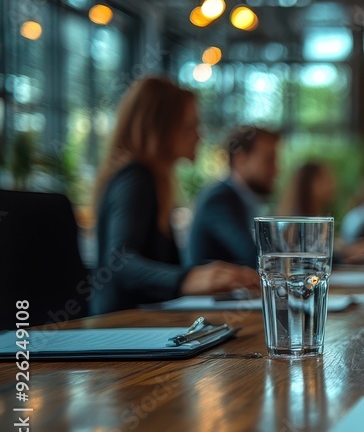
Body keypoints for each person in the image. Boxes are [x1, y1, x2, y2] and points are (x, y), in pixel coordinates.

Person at [92, 77, 257, 315]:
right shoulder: (136, 178)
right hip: (118, 327)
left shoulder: (157, 182)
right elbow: (118, 262)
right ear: (159, 128)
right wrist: (187, 279)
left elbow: (160, 267)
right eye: (190, 126)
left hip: (142, 322)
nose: (199, 136)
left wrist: (215, 274)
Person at [186, 126, 281, 268]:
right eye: (268, 160)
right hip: (210, 291)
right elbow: (255, 257)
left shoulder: (244, 199)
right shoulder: (219, 199)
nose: (276, 170)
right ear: (241, 159)